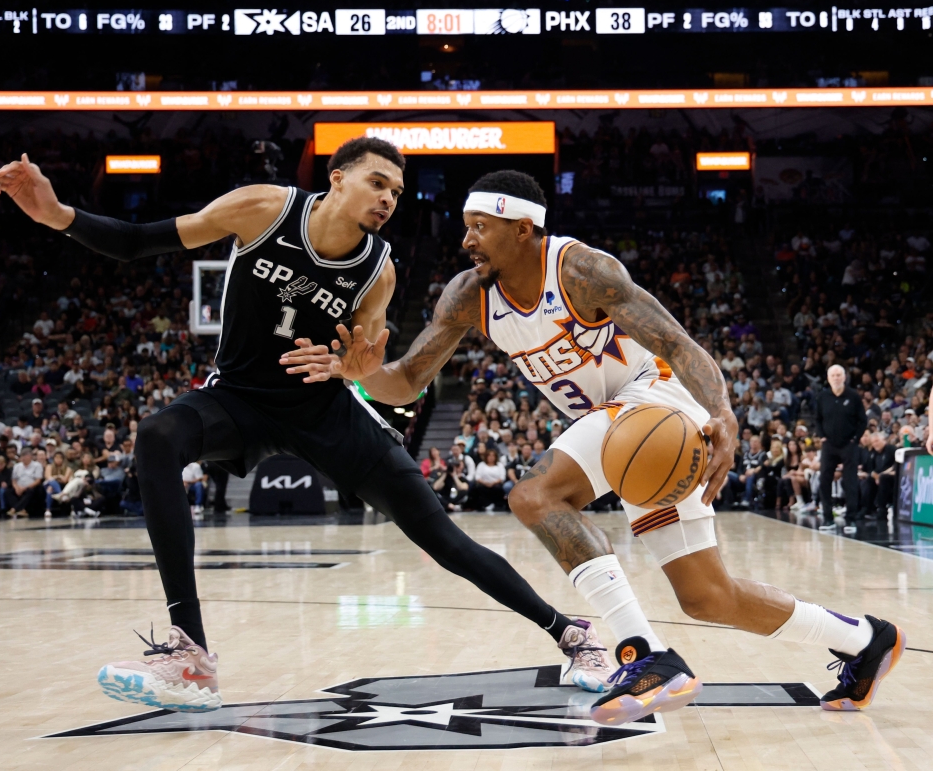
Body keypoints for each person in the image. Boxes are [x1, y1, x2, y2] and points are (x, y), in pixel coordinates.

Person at [0, 141, 608, 713]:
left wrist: (356, 370)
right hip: (237, 399)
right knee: (156, 437)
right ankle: (190, 657)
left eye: (396, 191)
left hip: (324, 411)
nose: (389, 199)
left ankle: (570, 632)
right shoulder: (261, 208)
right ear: (336, 180)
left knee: (441, 538)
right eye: (377, 182)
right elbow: (136, 241)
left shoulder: (379, 270)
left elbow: (371, 369)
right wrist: (56, 214)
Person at [287, 169, 905, 724]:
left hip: (657, 403)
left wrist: (724, 413)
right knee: (707, 597)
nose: (467, 240)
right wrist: (360, 371)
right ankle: (866, 639)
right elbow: (409, 380)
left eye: (481, 227)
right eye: (466, 227)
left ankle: (645, 656)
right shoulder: (467, 295)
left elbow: (680, 344)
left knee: (536, 494)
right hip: (625, 436)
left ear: (523, 228)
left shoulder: (583, 271)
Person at [816, 364, 867, 532]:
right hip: (829, 444)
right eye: (833, 375)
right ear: (828, 378)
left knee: (850, 481)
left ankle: (851, 519)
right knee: (824, 480)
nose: (836, 378)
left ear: (844, 377)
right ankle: (827, 518)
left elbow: (862, 421)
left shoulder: (853, 396)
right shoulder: (823, 396)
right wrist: (822, 436)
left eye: (839, 375)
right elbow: (817, 419)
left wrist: (855, 439)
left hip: (848, 445)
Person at [9, 447, 44, 518]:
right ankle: (22, 509)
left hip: (31, 487)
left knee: (31, 491)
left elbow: (38, 480)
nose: (23, 458)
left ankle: (15, 509)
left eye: (25, 456)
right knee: (7, 492)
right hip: (19, 486)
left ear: (30, 456)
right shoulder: (17, 466)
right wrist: (16, 488)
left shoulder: (37, 465)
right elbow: (14, 480)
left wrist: (25, 488)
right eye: (22, 456)